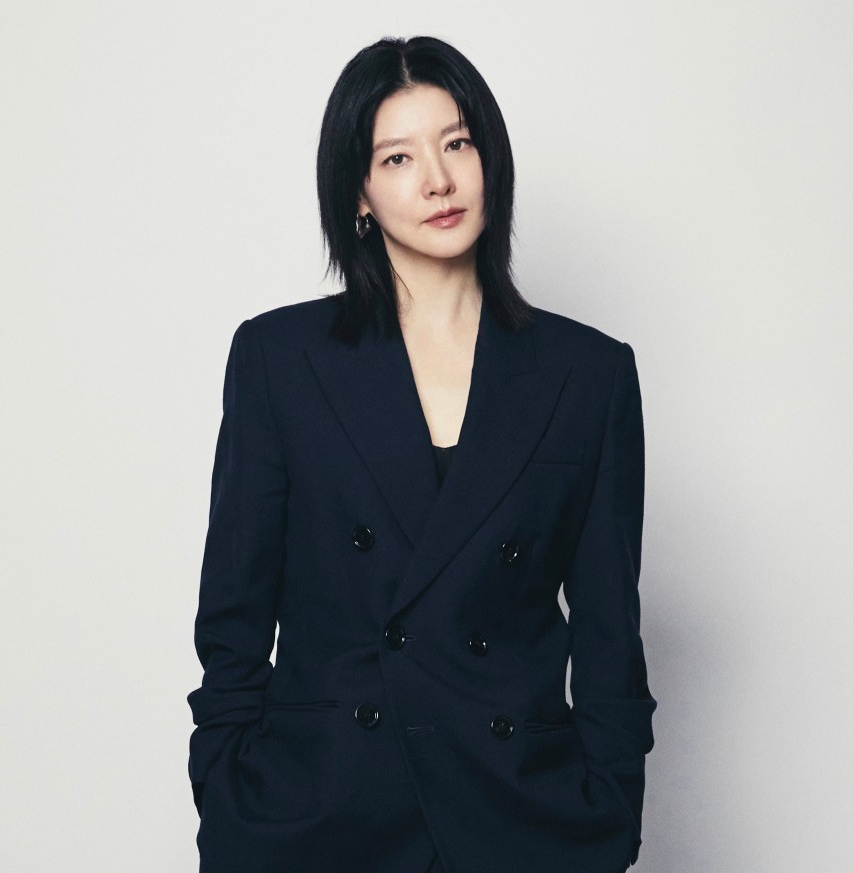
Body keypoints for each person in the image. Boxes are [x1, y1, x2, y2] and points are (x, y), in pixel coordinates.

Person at [187, 35, 656, 873]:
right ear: (358, 194)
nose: (438, 180)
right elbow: (233, 613)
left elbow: (611, 634)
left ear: (490, 159)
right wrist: (230, 795)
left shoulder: (589, 374)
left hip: (519, 819)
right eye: (397, 157)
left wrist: (609, 807)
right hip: (320, 818)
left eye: (457, 143)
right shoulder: (280, 359)